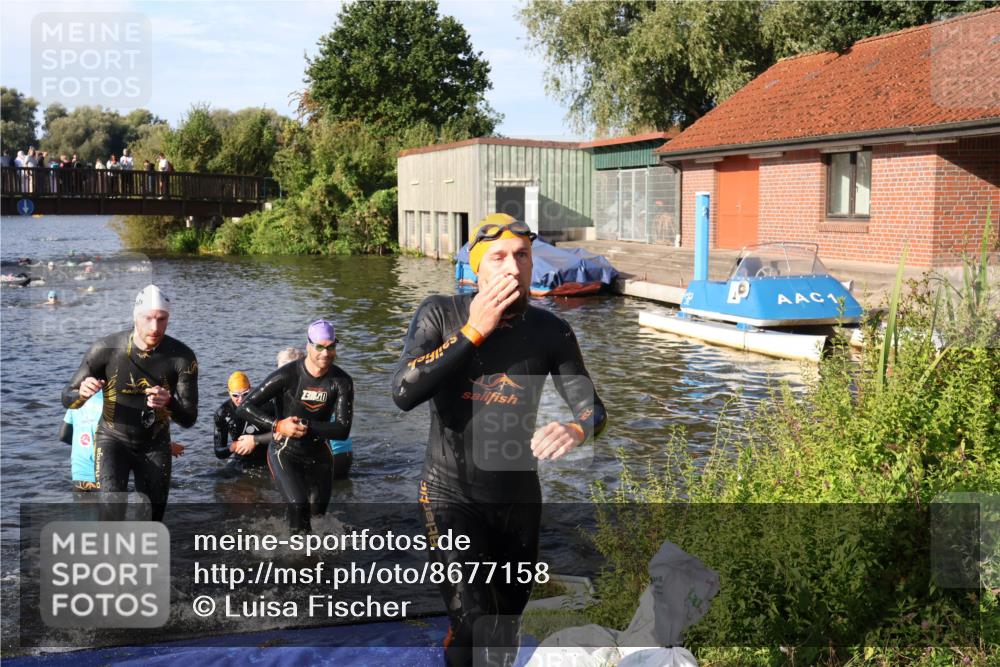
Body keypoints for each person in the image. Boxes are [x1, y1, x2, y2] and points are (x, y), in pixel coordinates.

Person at [391, 213, 608, 667]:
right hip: (450, 493)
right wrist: (474, 331)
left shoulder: (551, 330)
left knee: (506, 625)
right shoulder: (441, 313)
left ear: (533, 264)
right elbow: (403, 392)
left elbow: (593, 408)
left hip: (518, 501)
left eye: (522, 256)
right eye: (499, 257)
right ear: (477, 269)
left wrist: (576, 428)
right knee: (472, 622)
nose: (513, 267)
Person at [61, 284, 198, 521]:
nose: (155, 327)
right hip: (113, 441)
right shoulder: (106, 349)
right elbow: (67, 399)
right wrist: (81, 394)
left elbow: (189, 418)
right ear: (136, 317)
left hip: (155, 445)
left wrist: (170, 403)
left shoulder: (182, 357)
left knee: (153, 520)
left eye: (162, 319)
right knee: (112, 515)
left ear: (169, 318)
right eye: (149, 319)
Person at [238, 320, 353, 533]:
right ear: (308, 346)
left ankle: (317, 561)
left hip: (320, 454)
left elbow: (343, 429)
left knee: (318, 517)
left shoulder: (341, 381)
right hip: (285, 452)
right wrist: (278, 425)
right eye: (320, 347)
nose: (325, 353)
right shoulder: (288, 375)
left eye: (331, 346)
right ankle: (295, 561)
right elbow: (245, 407)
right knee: (298, 506)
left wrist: (306, 426)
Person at [277, 347, 353, 479]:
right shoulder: (329, 384)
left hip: (324, 455)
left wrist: (255, 439)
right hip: (345, 454)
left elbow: (293, 431)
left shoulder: (296, 393)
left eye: (282, 372)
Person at [213, 371, 271, 471]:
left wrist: (255, 440)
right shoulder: (222, 413)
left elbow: (280, 433)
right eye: (235, 395)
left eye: (245, 394)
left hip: (267, 458)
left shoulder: (265, 405)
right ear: (229, 392)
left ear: (250, 388)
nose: (241, 399)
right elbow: (218, 451)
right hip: (242, 460)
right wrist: (233, 446)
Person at [59, 389, 104, 491]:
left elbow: (63, 435)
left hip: (80, 472)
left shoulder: (78, 397)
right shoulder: (115, 397)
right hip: (107, 471)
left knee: (83, 507)